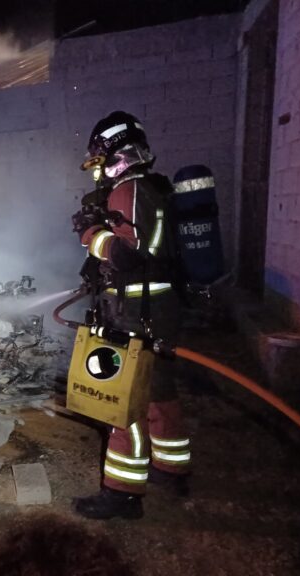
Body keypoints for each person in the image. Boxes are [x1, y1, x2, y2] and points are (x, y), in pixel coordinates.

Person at [70, 111, 191, 520]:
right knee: (160, 393)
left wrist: (91, 234)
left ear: (117, 153)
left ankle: (122, 495)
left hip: (139, 313)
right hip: (160, 308)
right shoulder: (153, 188)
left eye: (100, 159)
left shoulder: (129, 189)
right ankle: (171, 470)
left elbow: (124, 254)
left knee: (123, 402)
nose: (98, 170)